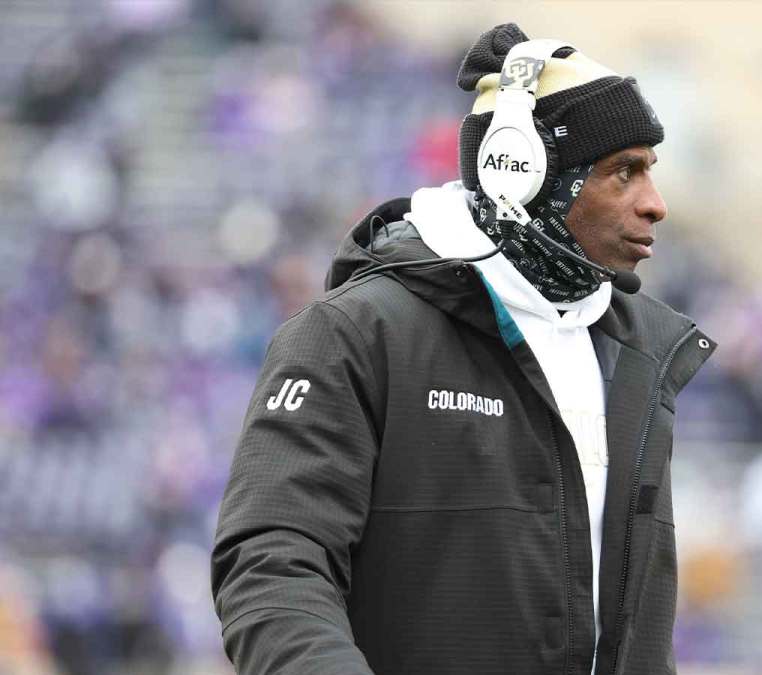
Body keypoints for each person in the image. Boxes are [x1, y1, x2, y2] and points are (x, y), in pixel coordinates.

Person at [211, 23, 715, 675]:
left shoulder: (640, 355)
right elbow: (272, 563)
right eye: (624, 172)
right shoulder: (356, 335)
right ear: (521, 172)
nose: (656, 204)